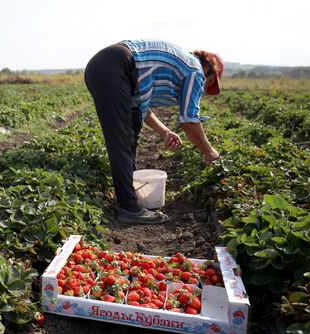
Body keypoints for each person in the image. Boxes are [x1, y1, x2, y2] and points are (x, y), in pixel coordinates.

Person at [84, 39, 224, 225]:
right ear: (209, 70)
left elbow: (145, 108)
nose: (205, 90)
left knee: (129, 134)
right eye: (210, 83)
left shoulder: (179, 65)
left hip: (106, 65)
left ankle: (130, 197)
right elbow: (189, 121)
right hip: (117, 66)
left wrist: (165, 132)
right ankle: (129, 208)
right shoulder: (195, 71)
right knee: (122, 140)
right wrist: (210, 152)